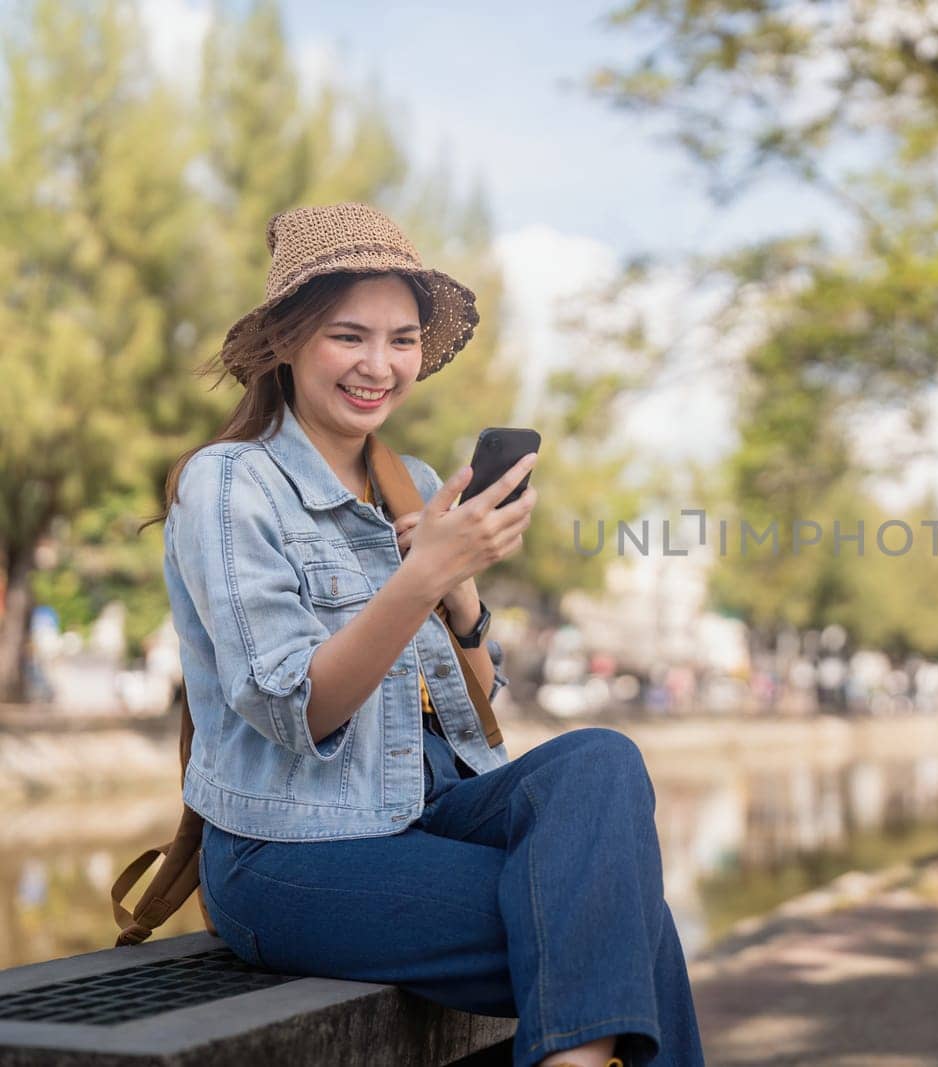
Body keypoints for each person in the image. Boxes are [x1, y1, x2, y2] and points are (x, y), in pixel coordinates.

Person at [150, 203, 703, 1067]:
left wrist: (464, 595)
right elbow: (298, 710)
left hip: (431, 804)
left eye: (402, 340)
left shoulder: (412, 484)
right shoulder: (229, 486)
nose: (380, 366)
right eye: (349, 336)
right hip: (291, 849)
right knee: (618, 916)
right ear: (287, 342)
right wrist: (419, 578)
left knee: (601, 759)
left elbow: (481, 709)